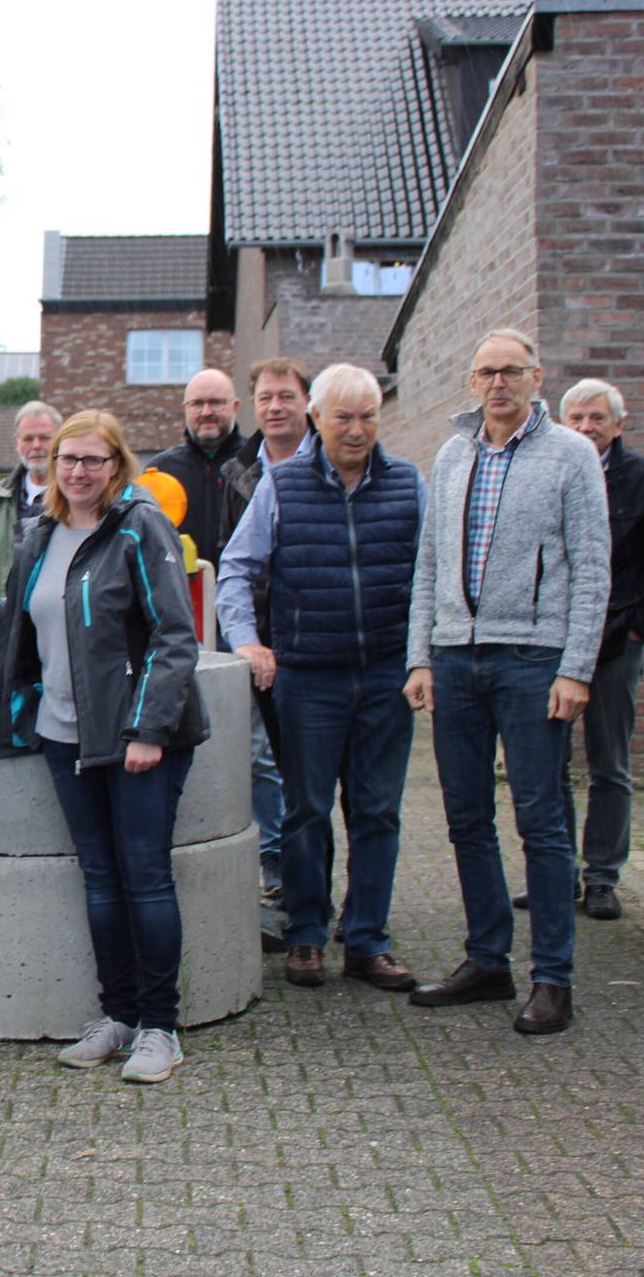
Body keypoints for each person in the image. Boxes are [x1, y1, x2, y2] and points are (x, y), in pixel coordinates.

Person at [0, 409, 207, 1084]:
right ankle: (117, 1013)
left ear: (117, 466)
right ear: (50, 466)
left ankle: (160, 1028)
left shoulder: (140, 528)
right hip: (63, 735)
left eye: (92, 459)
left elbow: (176, 636)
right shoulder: (39, 536)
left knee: (145, 876)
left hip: (137, 737)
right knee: (102, 880)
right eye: (67, 459)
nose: (79, 471)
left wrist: (147, 730)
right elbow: (16, 624)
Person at [404, 328, 609, 1035]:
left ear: (536, 376)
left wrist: (577, 667)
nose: (498, 383)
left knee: (541, 821)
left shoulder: (572, 455)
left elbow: (593, 566)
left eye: (511, 371)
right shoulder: (454, 453)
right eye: (486, 371)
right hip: (457, 656)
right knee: (465, 819)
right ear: (471, 381)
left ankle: (553, 977)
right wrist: (420, 656)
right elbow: (429, 564)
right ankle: (487, 960)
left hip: (533, 659)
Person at [218, 365, 425, 991]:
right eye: (344, 417)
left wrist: (423, 659)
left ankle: (366, 940)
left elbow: (430, 577)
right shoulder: (281, 485)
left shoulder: (410, 484)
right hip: (308, 678)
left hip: (386, 675)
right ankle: (306, 935)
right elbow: (235, 570)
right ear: (319, 418)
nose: (357, 430)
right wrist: (248, 643)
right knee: (306, 811)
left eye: (368, 417)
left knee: (376, 811)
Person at [532, 378, 644, 921]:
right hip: (551, 641)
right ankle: (557, 874)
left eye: (597, 418)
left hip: (616, 643)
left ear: (618, 425)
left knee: (608, 765)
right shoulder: (548, 472)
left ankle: (601, 876)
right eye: (576, 417)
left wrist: (639, 629)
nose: (585, 427)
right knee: (547, 765)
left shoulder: (643, 480)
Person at [219, 358, 313, 897]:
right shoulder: (240, 471)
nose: (275, 407)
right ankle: (281, 867)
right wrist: (244, 637)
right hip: (257, 641)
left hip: (316, 638)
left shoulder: (327, 461)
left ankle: (317, 892)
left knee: (316, 776)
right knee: (265, 758)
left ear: (307, 402)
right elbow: (233, 560)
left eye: (286, 396)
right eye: (266, 398)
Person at [148, 368, 249, 569]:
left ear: (235, 406)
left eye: (216, 402)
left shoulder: (256, 462)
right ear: (185, 408)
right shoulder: (160, 471)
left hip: (245, 594)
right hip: (181, 594)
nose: (206, 412)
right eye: (197, 403)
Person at [0, 400, 62, 597]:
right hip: (3, 618)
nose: (36, 446)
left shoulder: (73, 496)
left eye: (44, 438)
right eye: (28, 439)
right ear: (17, 443)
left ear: (60, 440)